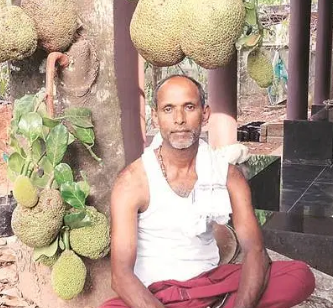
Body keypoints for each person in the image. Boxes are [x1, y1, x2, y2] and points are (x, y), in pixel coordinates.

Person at [100, 75, 315, 308]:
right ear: (155, 116)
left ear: (205, 114)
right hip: (156, 294)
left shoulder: (229, 176)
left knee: (299, 276)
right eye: (168, 109)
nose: (179, 119)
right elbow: (120, 275)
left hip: (210, 285)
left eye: (189, 107)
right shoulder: (132, 182)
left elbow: (255, 250)